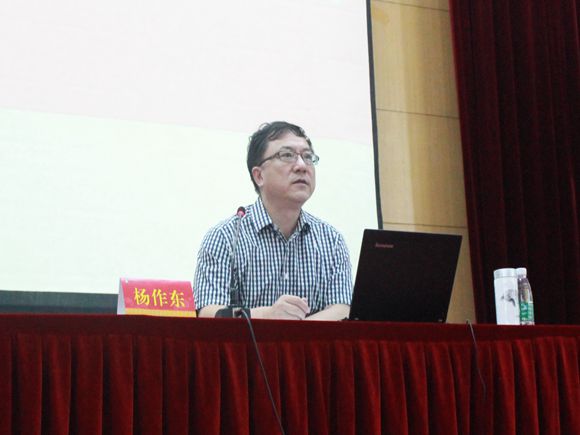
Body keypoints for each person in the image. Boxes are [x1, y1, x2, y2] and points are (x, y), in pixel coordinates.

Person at [194, 121, 352, 320]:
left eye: (308, 157)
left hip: (309, 342)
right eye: (287, 155)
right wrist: (267, 315)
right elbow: (207, 312)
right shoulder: (225, 237)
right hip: (249, 342)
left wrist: (292, 333)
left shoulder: (331, 240)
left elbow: (342, 309)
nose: (302, 166)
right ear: (259, 176)